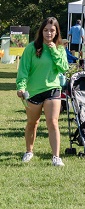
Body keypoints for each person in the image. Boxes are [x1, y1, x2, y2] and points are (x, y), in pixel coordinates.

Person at [17, 17, 69, 166]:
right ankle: (29, 151)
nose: (48, 33)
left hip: (53, 89)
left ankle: (56, 157)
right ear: (41, 31)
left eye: (52, 30)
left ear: (57, 32)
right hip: (33, 91)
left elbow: (64, 68)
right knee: (32, 123)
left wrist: (54, 50)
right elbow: (23, 70)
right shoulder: (31, 48)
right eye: (46, 30)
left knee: (53, 122)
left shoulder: (59, 48)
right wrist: (21, 86)